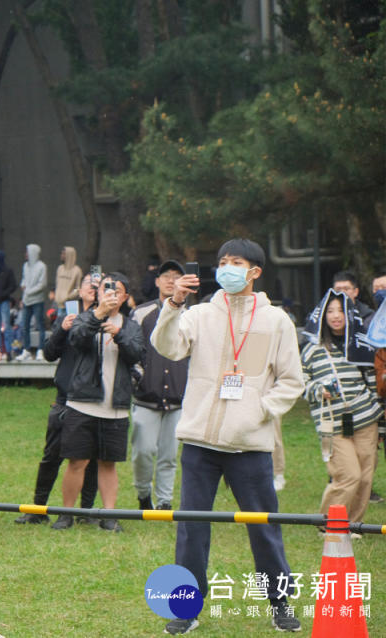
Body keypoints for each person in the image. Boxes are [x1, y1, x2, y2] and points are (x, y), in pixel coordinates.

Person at [152, 238, 304, 634]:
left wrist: (261, 410)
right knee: (191, 529)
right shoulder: (200, 314)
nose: (226, 268)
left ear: (254, 271)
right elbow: (166, 347)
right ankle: (186, 609)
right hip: (199, 443)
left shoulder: (276, 321)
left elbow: (291, 381)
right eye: (222, 261)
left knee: (263, 527)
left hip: (250, 446)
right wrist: (173, 305)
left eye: (236, 262)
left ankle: (279, 602)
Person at [55, 273, 144, 532]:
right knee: (76, 461)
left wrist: (119, 334)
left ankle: (109, 516)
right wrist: (98, 315)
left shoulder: (130, 325)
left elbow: (138, 354)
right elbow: (77, 339)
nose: (111, 293)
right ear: (98, 292)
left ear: (125, 296)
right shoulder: (85, 317)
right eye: (106, 288)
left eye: (117, 289)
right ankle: (66, 513)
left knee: (108, 463)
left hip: (115, 408)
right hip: (82, 403)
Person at [15, 273, 100, 527]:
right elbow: (50, 354)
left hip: (93, 399)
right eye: (90, 285)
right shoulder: (67, 317)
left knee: (91, 458)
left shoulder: (105, 320)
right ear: (80, 290)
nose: (94, 289)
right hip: (64, 399)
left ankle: (86, 511)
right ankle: (38, 509)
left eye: (99, 286)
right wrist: (62, 330)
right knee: (51, 455)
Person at [301, 290, 381, 527]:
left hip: (366, 419)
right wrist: (318, 389)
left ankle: (353, 526)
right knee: (348, 475)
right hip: (332, 421)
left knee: (365, 478)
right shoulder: (311, 349)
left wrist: (375, 407)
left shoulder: (360, 344)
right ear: (322, 316)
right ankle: (327, 523)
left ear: (350, 314)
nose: (336, 316)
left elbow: (372, 380)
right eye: (330, 311)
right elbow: (299, 383)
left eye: (340, 311)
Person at [129, 260, 188, 511]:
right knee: (142, 451)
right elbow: (131, 348)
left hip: (178, 396)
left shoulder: (191, 315)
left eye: (177, 276)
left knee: (168, 455)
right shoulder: (141, 313)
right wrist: (139, 377)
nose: (171, 280)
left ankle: (164, 502)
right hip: (146, 395)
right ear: (156, 281)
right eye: (166, 276)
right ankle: (143, 494)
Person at [15, 243, 47, 361]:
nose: (25, 254)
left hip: (37, 300)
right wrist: (23, 286)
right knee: (24, 326)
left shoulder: (42, 266)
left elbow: (42, 284)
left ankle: (40, 350)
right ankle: (26, 350)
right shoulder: (25, 266)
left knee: (40, 325)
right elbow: (24, 280)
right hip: (26, 300)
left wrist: (28, 291)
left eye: (27, 252)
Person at [53, 246, 82, 313]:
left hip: (70, 304)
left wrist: (68, 297)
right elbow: (57, 285)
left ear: (69, 256)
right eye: (61, 254)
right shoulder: (60, 268)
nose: (61, 256)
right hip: (58, 304)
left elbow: (78, 288)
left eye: (64, 254)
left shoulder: (77, 270)